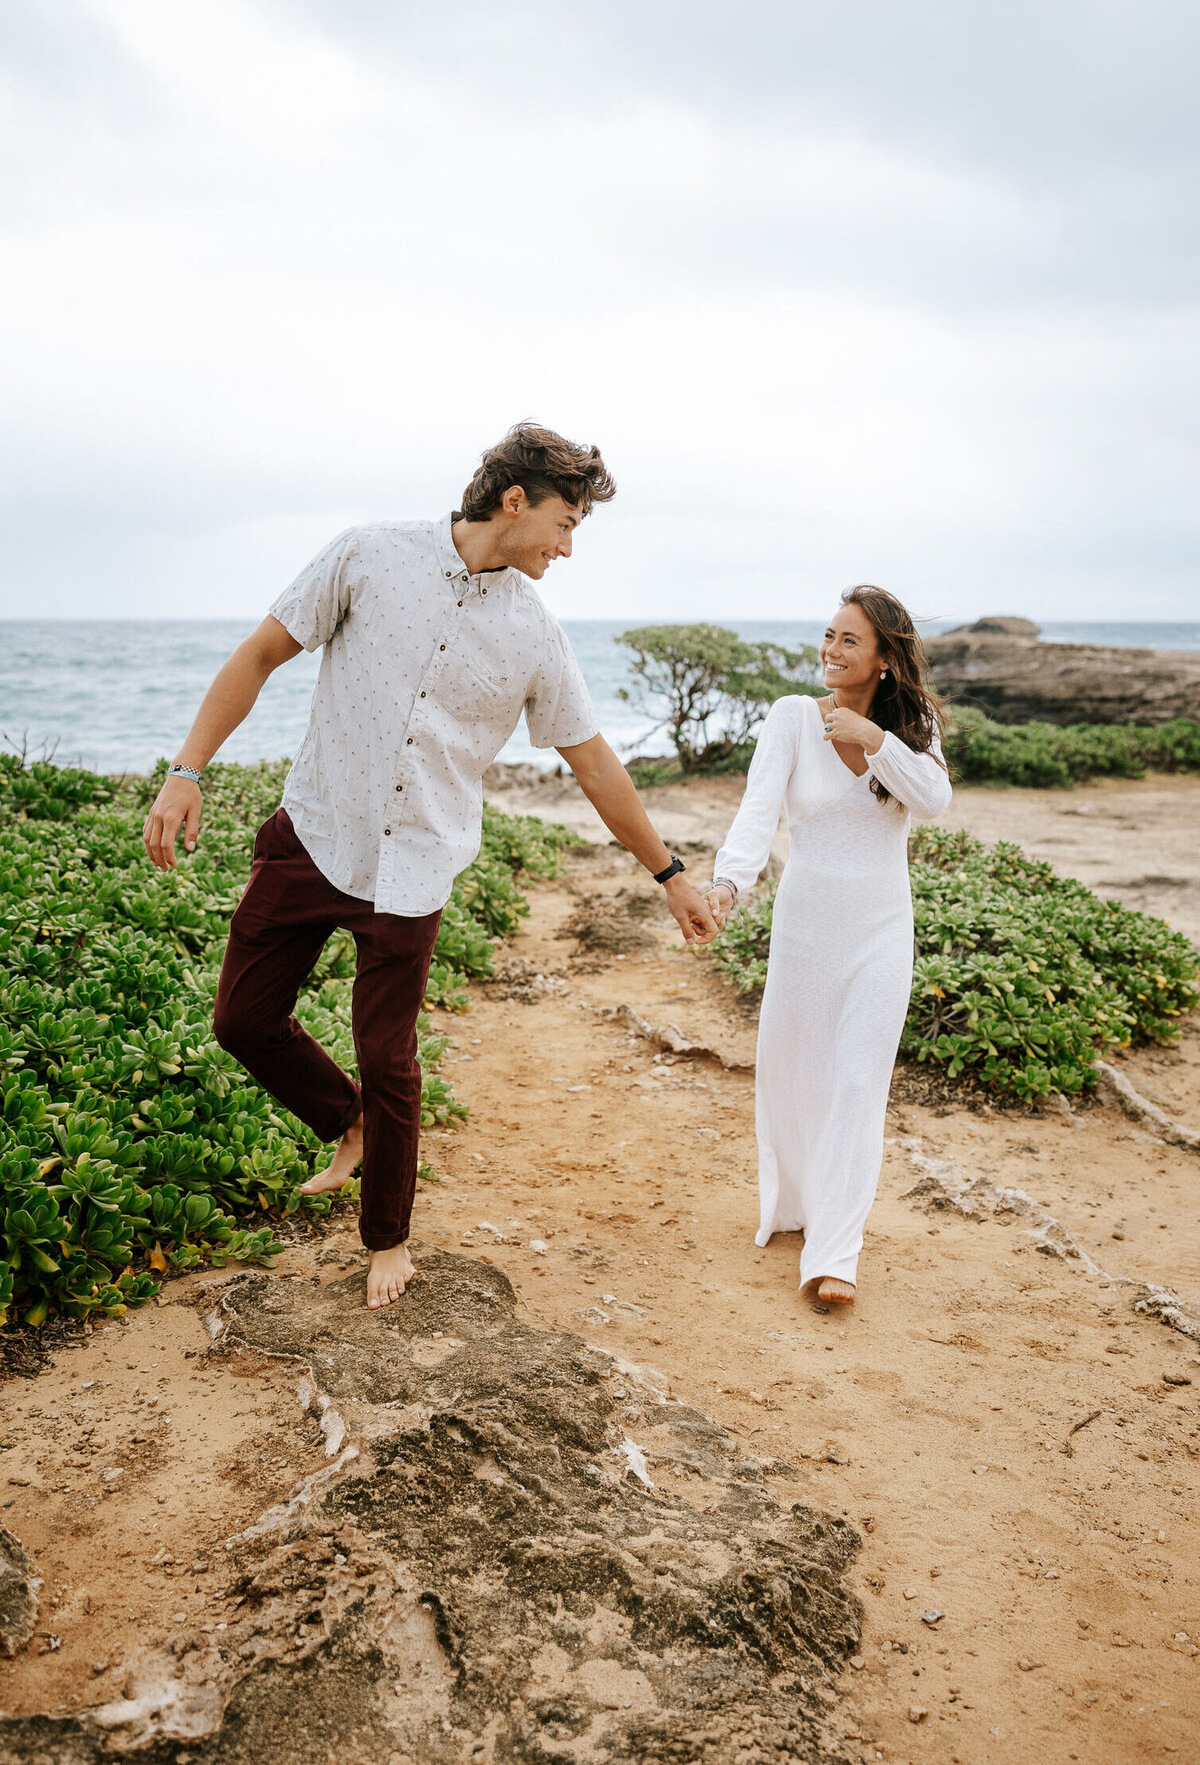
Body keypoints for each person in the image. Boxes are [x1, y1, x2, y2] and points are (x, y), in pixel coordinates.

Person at [142, 422, 719, 1310]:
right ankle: (347, 1120)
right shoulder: (368, 555)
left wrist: (670, 873)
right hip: (315, 830)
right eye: (565, 524)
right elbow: (260, 656)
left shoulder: (535, 633)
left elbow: (594, 763)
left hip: (416, 860)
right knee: (242, 1021)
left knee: (389, 1055)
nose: (568, 547)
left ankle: (388, 1239)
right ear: (515, 500)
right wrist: (186, 772)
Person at [705, 586, 951, 1307]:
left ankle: (835, 1254)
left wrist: (876, 740)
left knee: (856, 1082)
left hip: (880, 927)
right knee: (796, 1073)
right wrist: (728, 884)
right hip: (806, 927)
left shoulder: (913, 727)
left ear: (883, 659)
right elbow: (757, 812)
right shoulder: (789, 718)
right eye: (828, 635)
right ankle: (800, 1208)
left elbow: (933, 800)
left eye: (849, 640)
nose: (831, 651)